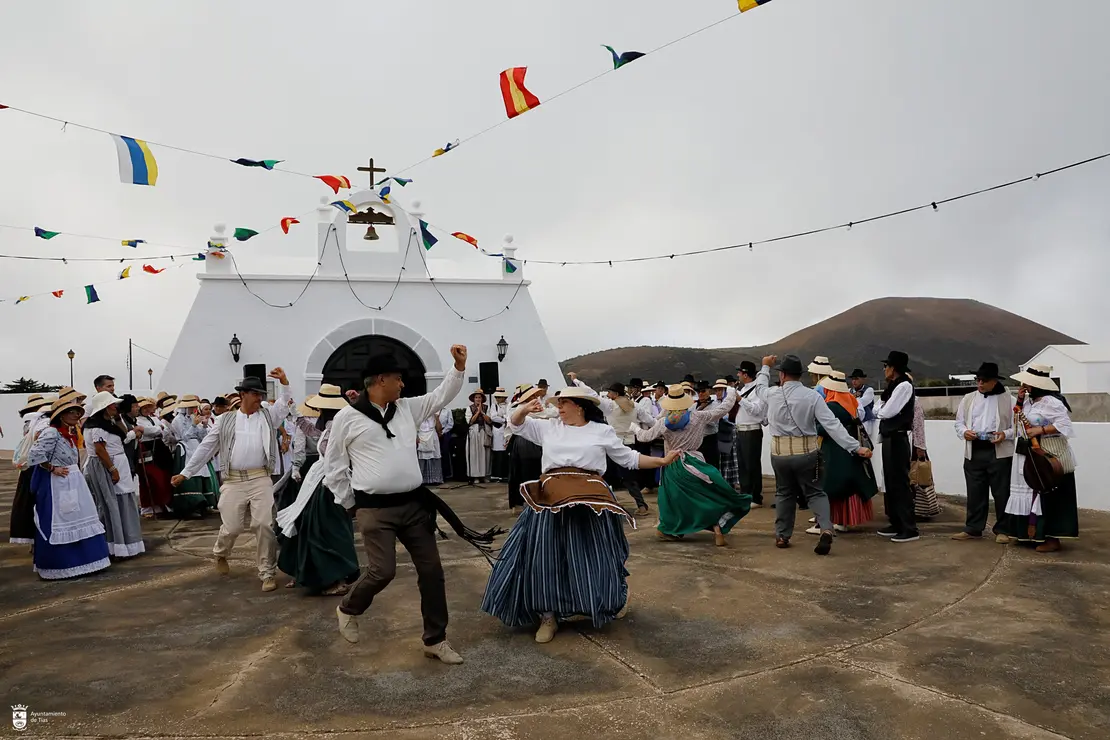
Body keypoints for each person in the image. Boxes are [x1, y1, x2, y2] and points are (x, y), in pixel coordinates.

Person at [327, 346, 501, 664]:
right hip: (374, 510)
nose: (403, 384)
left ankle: (435, 639)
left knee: (432, 571)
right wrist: (351, 505)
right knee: (382, 572)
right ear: (380, 380)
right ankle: (349, 608)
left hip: (414, 506)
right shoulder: (347, 418)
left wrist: (459, 367)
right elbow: (335, 467)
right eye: (398, 378)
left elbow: (441, 395)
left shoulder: (408, 408)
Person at [482, 386, 679, 643]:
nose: (559, 408)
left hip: (590, 500)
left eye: (564, 403)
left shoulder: (601, 431)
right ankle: (548, 615)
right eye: (559, 403)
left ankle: (607, 599)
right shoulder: (549, 428)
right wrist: (523, 408)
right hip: (551, 499)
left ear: (581, 406)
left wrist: (661, 462)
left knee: (595, 556)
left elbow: (629, 458)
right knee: (545, 558)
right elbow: (516, 424)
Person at [171, 368, 292, 592]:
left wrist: (285, 382)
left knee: (264, 524)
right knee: (233, 526)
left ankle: (267, 572)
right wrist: (186, 472)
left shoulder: (268, 416)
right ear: (244, 394)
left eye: (261, 395)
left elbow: (284, 404)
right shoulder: (225, 420)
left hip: (260, 478)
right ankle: (220, 553)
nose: (260, 399)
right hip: (233, 480)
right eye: (256, 394)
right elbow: (206, 448)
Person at [763, 356, 873, 555]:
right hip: (806, 452)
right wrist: (855, 447)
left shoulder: (771, 394)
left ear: (781, 375)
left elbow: (759, 387)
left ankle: (782, 535)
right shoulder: (813, 396)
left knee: (784, 493)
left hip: (780, 454)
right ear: (800, 376)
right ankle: (826, 528)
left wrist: (764, 366)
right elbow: (832, 425)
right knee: (815, 492)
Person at [634, 382, 751, 547]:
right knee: (706, 496)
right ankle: (717, 528)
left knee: (673, 501)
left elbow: (644, 437)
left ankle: (671, 529)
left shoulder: (663, 423)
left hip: (673, 464)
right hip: (696, 463)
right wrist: (731, 393)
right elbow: (723, 409)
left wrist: (634, 428)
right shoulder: (698, 416)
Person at [275, 387, 360, 596]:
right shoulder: (330, 427)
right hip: (318, 481)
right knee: (309, 525)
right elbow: (307, 428)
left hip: (332, 482)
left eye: (320, 409)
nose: (317, 413)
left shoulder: (339, 426)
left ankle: (335, 577)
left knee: (327, 530)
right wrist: (293, 409)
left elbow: (337, 457)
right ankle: (307, 572)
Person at [24, 396, 111, 579]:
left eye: (76, 412)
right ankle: (62, 563)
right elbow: (34, 455)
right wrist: (52, 468)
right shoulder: (52, 433)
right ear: (60, 416)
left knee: (80, 516)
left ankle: (85, 560)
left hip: (73, 480)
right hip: (59, 484)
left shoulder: (68, 433)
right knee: (61, 520)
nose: (74, 415)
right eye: (69, 412)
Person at [997, 365, 1078, 553]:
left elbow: (1065, 425)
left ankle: (1051, 537)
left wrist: (1040, 429)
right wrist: (1020, 399)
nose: (1024, 385)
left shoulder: (1051, 402)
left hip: (1048, 454)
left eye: (1027, 383)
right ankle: (1029, 533)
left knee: (1047, 492)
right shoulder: (1029, 402)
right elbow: (1018, 422)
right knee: (1030, 489)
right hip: (1029, 453)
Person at [567, 376, 654, 516]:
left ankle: (603, 504)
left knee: (604, 474)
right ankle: (641, 505)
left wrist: (577, 381)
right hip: (630, 442)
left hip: (613, 444)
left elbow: (591, 393)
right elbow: (650, 421)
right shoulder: (635, 406)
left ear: (616, 394)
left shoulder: (609, 405)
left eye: (610, 392)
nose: (608, 395)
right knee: (628, 477)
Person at [952, 362, 1014, 542]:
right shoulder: (968, 398)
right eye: (978, 380)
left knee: (1002, 492)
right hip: (974, 448)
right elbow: (959, 422)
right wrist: (965, 432)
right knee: (975, 490)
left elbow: (1016, 426)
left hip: (998, 450)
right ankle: (973, 527)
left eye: (984, 380)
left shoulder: (1007, 399)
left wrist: (1005, 434)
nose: (980, 383)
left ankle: (1003, 529)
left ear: (994, 381)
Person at [810, 371, 877, 535]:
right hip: (851, 447)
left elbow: (824, 427)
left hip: (835, 449)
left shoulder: (831, 406)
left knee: (834, 485)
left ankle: (836, 520)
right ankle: (847, 520)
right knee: (851, 484)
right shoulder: (851, 401)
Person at [82, 392, 146, 559]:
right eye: (112, 405)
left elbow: (120, 439)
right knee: (114, 503)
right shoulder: (97, 427)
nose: (116, 407)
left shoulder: (107, 423)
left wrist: (119, 421)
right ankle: (117, 544)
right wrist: (112, 469)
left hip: (119, 462)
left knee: (122, 501)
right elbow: (100, 450)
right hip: (113, 464)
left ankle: (125, 542)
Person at [874, 351, 918, 543]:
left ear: (893, 368)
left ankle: (909, 527)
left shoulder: (904, 386)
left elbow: (887, 411)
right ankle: (896, 521)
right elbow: (878, 408)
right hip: (889, 437)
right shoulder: (892, 386)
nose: (884, 369)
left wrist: (881, 410)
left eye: (886, 366)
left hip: (898, 437)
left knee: (900, 482)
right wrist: (881, 410)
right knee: (891, 481)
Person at [169, 394, 219, 516]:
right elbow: (183, 436)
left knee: (202, 473)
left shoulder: (193, 417)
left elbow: (201, 436)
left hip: (196, 447)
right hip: (185, 449)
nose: (192, 409)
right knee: (189, 474)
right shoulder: (178, 420)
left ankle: (205, 504)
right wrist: (194, 425)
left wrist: (204, 425)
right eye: (190, 407)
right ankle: (191, 506)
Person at [733, 361, 769, 507]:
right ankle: (745, 494)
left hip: (752, 430)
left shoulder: (757, 390)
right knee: (742, 465)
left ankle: (755, 497)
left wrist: (740, 400)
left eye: (740, 373)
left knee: (751, 465)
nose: (738, 375)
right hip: (741, 430)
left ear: (746, 374)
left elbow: (757, 410)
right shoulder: (743, 389)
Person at [506, 384, 546, 515]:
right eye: (533, 395)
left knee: (536, 470)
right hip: (523, 443)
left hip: (537, 442)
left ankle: (536, 500)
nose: (536, 397)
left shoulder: (540, 408)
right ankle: (522, 502)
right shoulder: (516, 408)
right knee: (523, 472)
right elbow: (514, 423)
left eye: (536, 395)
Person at [134, 397, 174, 518]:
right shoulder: (137, 420)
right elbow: (152, 431)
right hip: (147, 448)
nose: (146, 410)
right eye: (143, 408)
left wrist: (155, 430)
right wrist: (157, 429)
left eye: (148, 407)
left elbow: (164, 431)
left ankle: (164, 504)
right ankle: (149, 507)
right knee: (151, 477)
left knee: (165, 476)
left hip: (160, 448)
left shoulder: (154, 418)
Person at [714, 379, 741, 489]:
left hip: (730, 432)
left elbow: (733, 417)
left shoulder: (732, 403)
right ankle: (725, 480)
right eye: (716, 390)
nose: (718, 393)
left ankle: (733, 481)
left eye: (720, 390)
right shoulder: (717, 404)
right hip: (721, 433)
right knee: (724, 458)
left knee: (731, 458)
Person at [464, 390, 492, 484]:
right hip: (474, 432)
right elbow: (470, 422)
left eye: (479, 397)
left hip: (484, 431)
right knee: (474, 454)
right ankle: (475, 476)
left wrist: (482, 412)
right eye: (476, 397)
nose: (478, 399)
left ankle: (485, 475)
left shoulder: (487, 408)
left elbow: (489, 421)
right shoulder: (469, 408)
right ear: (473, 399)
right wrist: (477, 412)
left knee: (485, 454)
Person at [693, 380, 722, 470]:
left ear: (709, 391)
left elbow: (714, 422)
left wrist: (700, 415)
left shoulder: (716, 405)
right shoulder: (694, 406)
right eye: (699, 392)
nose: (700, 394)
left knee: (711, 466)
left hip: (710, 439)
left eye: (703, 391)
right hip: (697, 440)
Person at [849, 369, 879, 445]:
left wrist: (852, 398)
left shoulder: (869, 390)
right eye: (853, 379)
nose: (854, 381)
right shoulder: (849, 391)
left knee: (865, 443)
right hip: (853, 422)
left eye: (856, 379)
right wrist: (853, 396)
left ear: (862, 379)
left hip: (866, 422)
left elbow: (862, 403)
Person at [417, 412, 445, 486]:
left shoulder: (434, 415)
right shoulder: (418, 414)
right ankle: (422, 479)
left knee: (434, 456)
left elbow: (439, 429)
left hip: (432, 436)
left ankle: (435, 479)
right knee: (422, 458)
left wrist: (437, 418)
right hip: (421, 436)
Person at [489, 388, 511, 482]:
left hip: (506, 430)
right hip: (497, 430)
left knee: (505, 454)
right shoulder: (494, 406)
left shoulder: (508, 405)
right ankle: (496, 475)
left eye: (499, 397)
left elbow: (509, 415)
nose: (498, 399)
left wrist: (504, 418)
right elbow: (493, 417)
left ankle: (504, 475)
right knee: (497, 453)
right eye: (497, 397)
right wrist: (503, 419)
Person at [437, 406, 456, 482]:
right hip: (434, 433)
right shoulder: (433, 409)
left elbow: (450, 423)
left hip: (445, 433)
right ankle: (438, 474)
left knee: (445, 453)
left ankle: (446, 475)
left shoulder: (447, 410)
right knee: (436, 454)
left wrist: (442, 432)